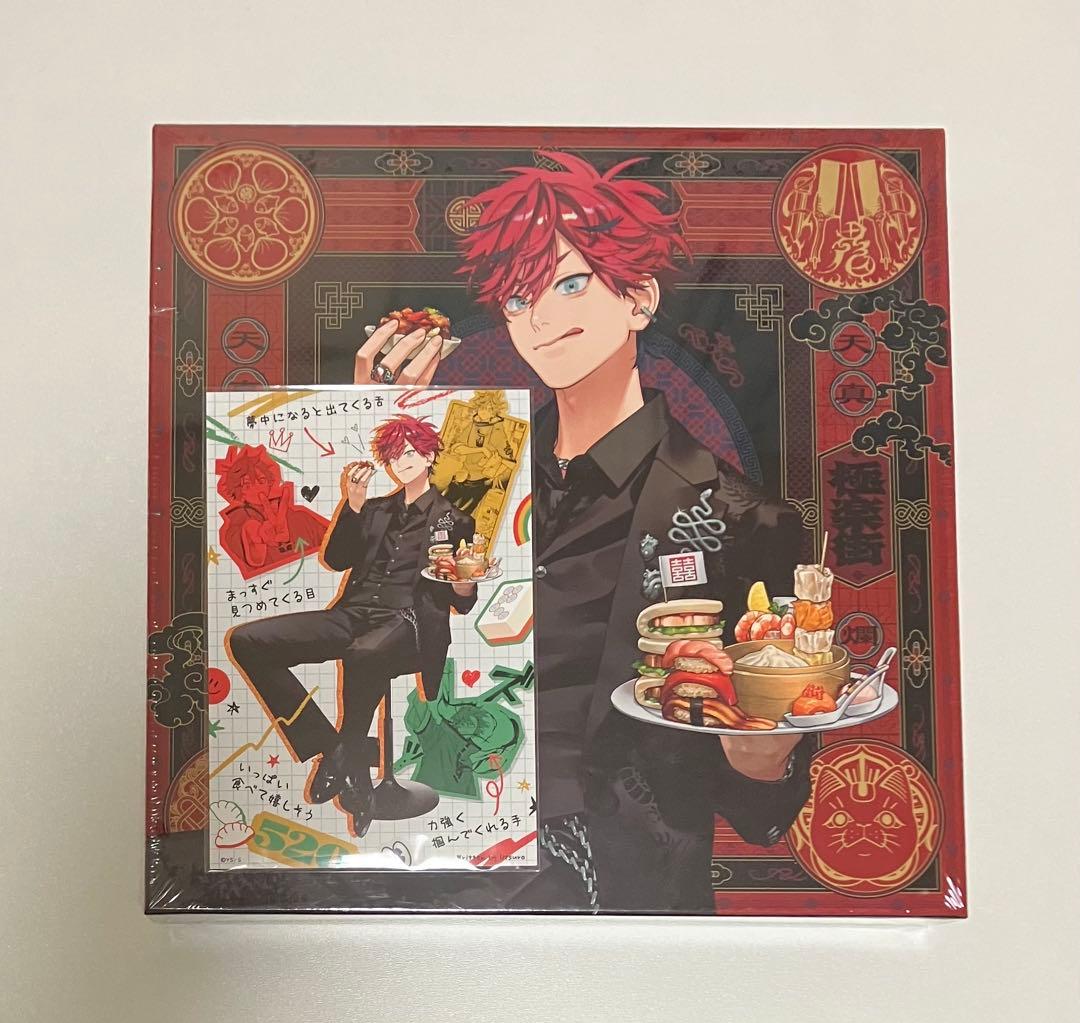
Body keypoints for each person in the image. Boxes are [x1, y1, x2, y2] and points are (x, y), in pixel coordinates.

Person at [354, 152, 810, 912]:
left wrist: (760, 759)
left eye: (569, 283)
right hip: (443, 860)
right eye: (516, 296)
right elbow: (369, 607)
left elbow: (765, 810)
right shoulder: (468, 466)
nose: (538, 317)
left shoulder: (741, 516)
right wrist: (364, 423)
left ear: (639, 298)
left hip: (624, 892)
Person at [226, 415, 477, 836]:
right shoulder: (374, 509)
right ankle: (341, 753)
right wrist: (354, 503)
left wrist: (465, 583)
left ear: (430, 455)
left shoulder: (455, 519)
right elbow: (337, 559)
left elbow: (461, 602)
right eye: (394, 456)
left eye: (410, 452)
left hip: (409, 623)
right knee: (248, 640)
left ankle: (346, 758)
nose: (402, 462)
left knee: (366, 653)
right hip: (352, 614)